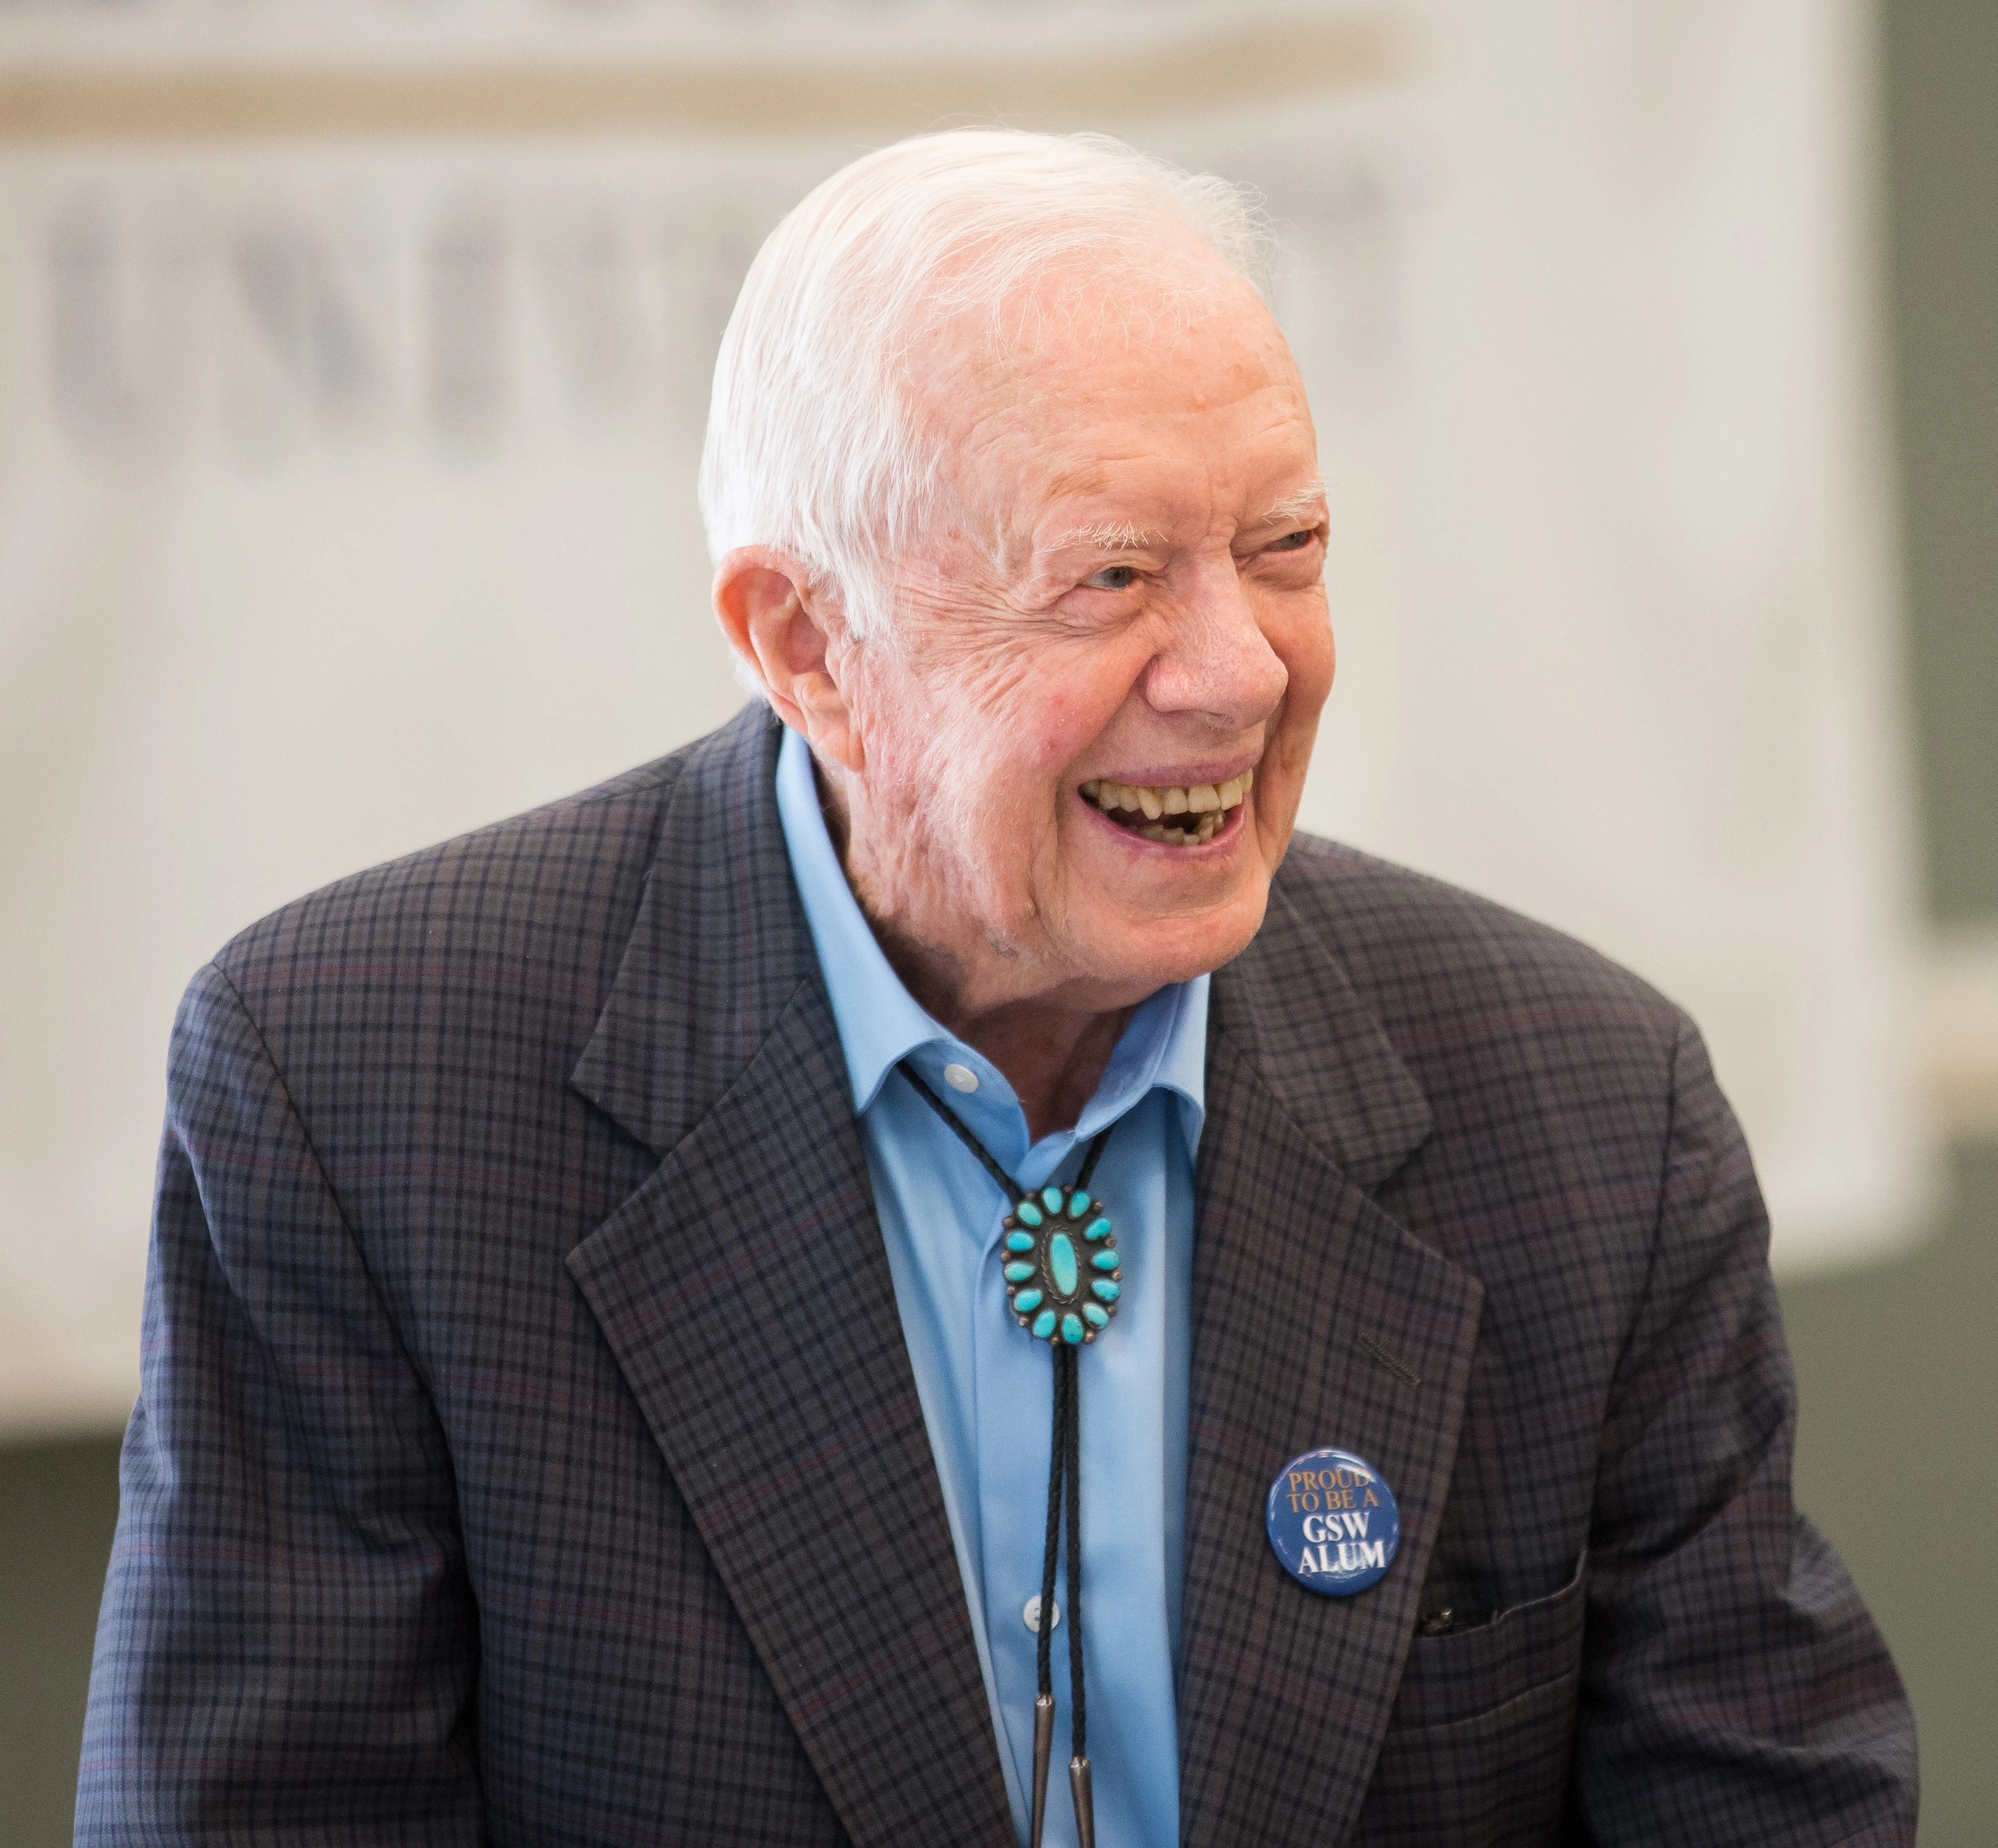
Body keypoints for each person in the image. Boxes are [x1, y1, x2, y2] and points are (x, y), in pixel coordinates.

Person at [78, 130, 1915, 1847]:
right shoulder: (363, 1091)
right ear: (808, 645)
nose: (1235, 673)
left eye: (1285, 552)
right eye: (1112, 577)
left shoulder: (1584, 1109)